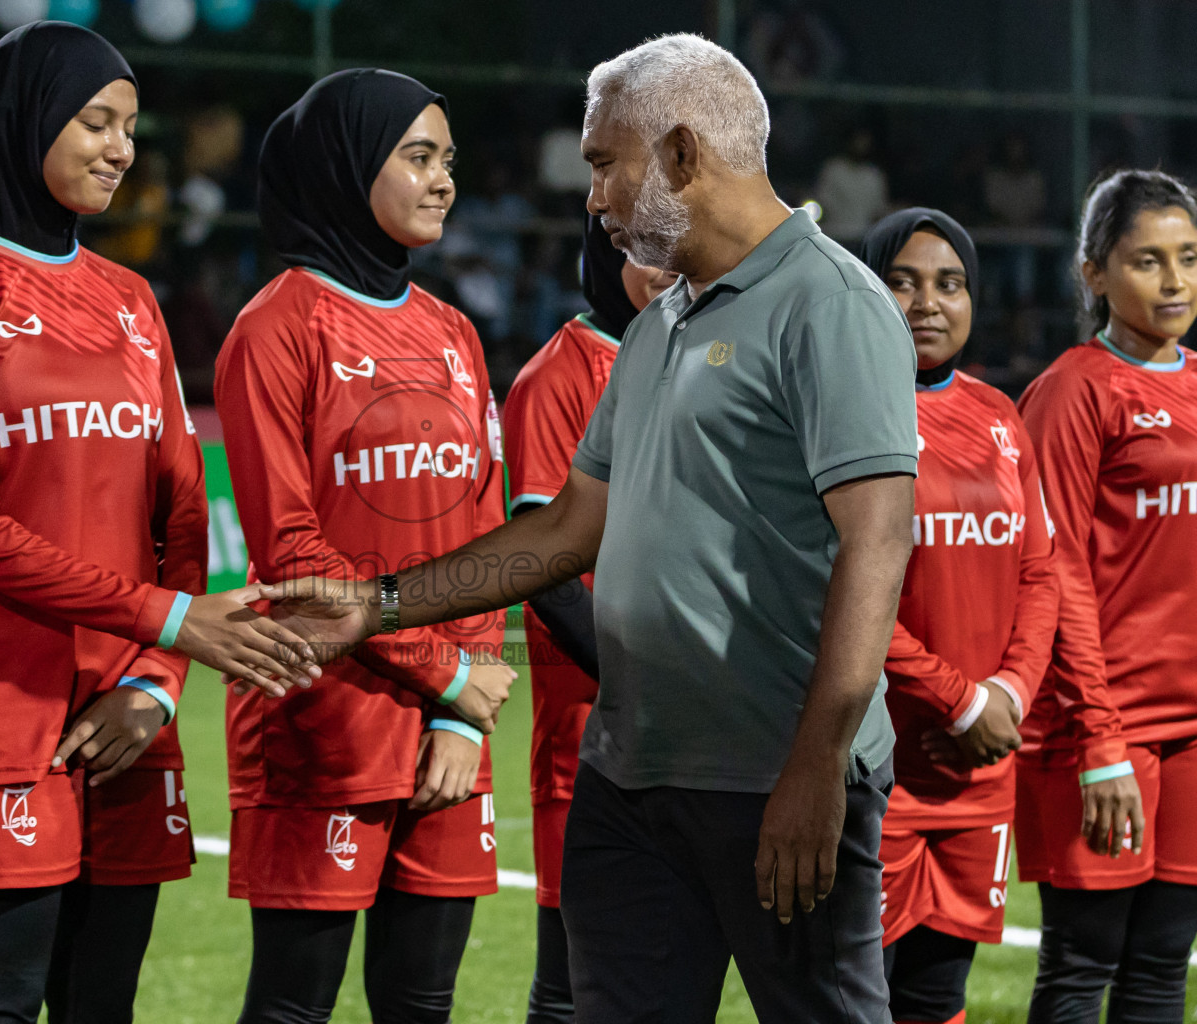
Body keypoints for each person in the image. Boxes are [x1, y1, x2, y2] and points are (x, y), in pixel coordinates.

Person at [265, 33, 919, 1023]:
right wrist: (376, 604)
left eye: (606, 163)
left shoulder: (831, 303)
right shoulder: (660, 324)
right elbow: (567, 530)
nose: (594, 197)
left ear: (683, 156)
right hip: (631, 779)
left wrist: (818, 767)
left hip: (773, 775)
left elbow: (877, 540)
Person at [0, 23, 318, 1024]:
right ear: (25, 122)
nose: (122, 149)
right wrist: (172, 625)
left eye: (129, 127)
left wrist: (155, 686)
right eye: (96, 122)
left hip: (129, 705)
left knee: (100, 1004)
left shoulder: (131, 299)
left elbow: (181, 511)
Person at [214, 68, 516, 1024]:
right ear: (346, 168)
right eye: (417, 157)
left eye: (449, 161)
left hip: (450, 728)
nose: (442, 181)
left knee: (421, 1003)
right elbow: (289, 550)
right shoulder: (274, 329)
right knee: (292, 1008)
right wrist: (446, 674)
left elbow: (488, 535)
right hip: (322, 720)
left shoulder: (456, 333)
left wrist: (465, 714)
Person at [857, 208, 1058, 1024]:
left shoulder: (1000, 415)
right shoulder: (845, 411)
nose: (928, 303)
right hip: (880, 773)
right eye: (902, 282)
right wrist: (959, 700)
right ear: (868, 291)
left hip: (980, 772)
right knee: (853, 1000)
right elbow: (843, 590)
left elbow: (1039, 570)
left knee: (941, 998)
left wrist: (1007, 692)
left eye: (951, 283)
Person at [1015, 168, 1197, 1023]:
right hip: (1106, 726)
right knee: (1083, 966)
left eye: (1189, 259)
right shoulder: (1073, 391)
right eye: (1147, 261)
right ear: (1093, 273)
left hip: (1193, 729)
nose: (1175, 282)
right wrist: (1101, 742)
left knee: (1164, 966)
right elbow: (1057, 573)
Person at [503, 212, 676, 1024]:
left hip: (693, 738)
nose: (666, 266)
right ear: (605, 253)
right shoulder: (558, 376)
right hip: (592, 739)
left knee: (669, 981)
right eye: (643, 249)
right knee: (572, 990)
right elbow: (546, 572)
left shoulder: (697, 357)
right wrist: (645, 676)